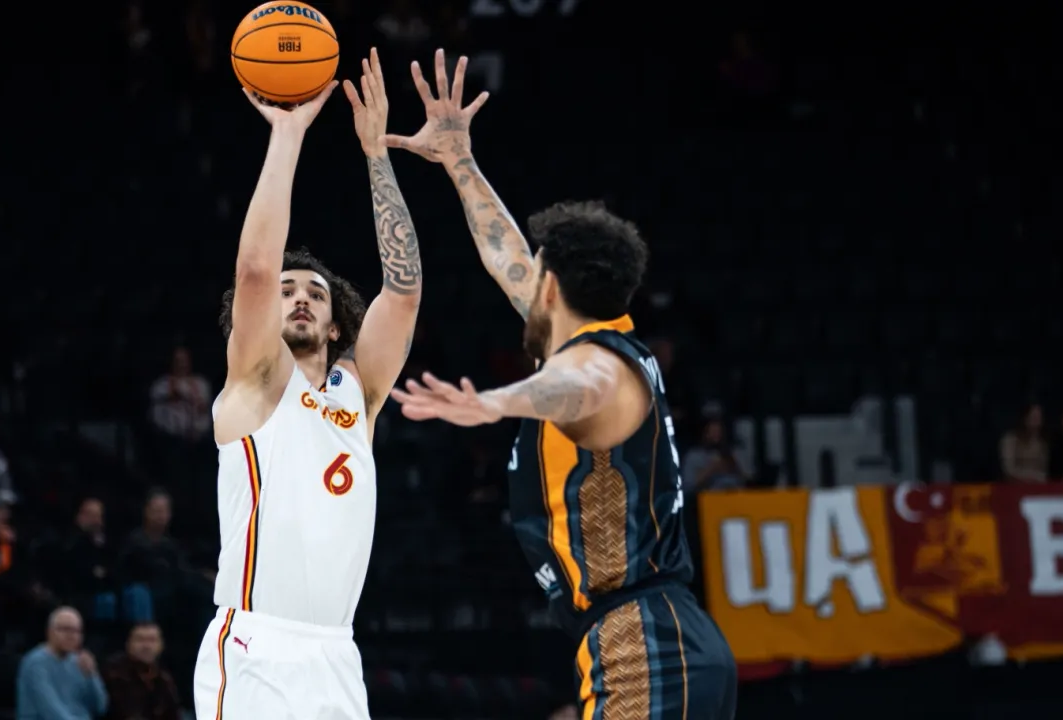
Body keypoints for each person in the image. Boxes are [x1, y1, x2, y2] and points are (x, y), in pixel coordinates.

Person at [386, 49, 737, 719]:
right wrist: (459, 161)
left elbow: (576, 388)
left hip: (643, 639)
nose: (525, 272)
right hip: (648, 633)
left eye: (537, 268)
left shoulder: (597, 364)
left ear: (550, 288)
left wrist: (493, 402)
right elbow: (506, 255)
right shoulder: (601, 338)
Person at [194, 48, 423, 720]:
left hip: (337, 654)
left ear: (334, 323)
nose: (298, 297)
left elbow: (403, 292)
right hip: (255, 645)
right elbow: (256, 271)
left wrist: (376, 154)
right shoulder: (256, 380)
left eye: (315, 293)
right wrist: (288, 133)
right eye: (288, 291)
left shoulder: (359, 392)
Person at [16, 607, 108, 720]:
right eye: (65, 629)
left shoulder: (80, 662)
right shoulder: (36, 663)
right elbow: (51, 712)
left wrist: (92, 675)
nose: (71, 636)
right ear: (49, 632)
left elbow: (100, 707)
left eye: (77, 631)